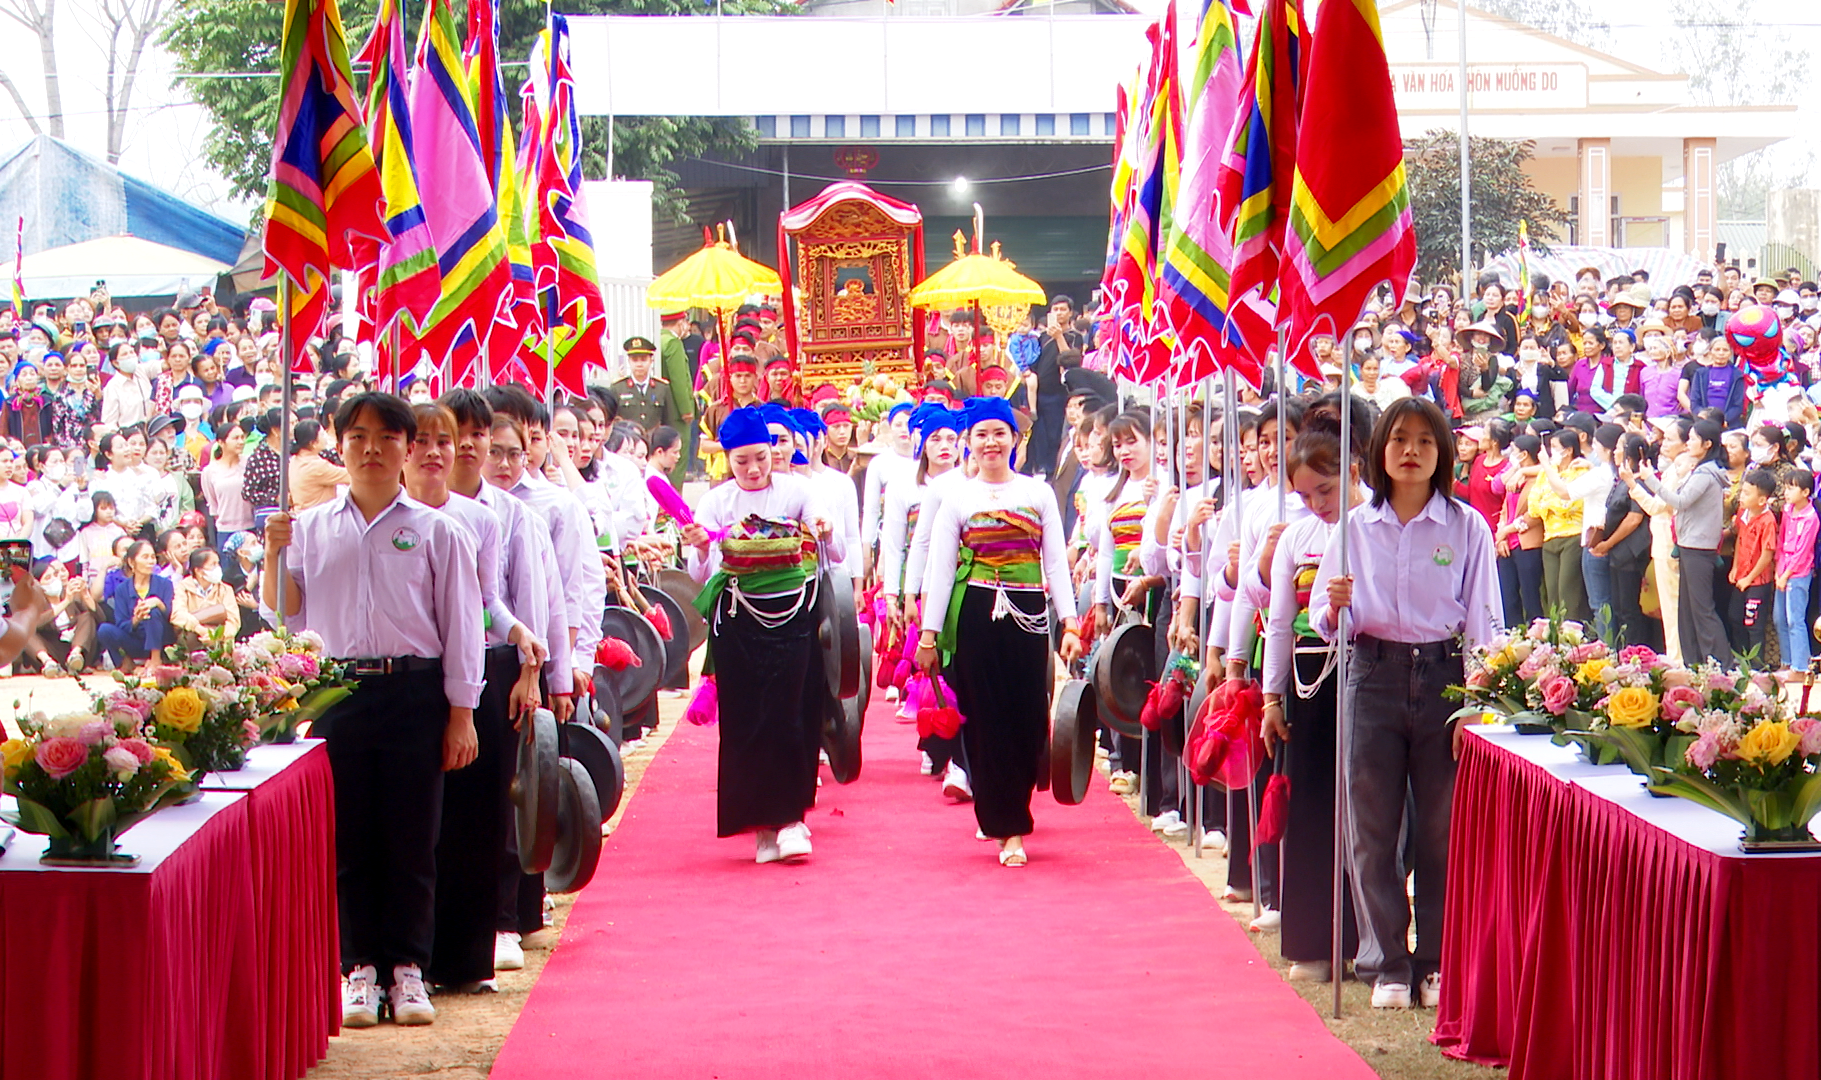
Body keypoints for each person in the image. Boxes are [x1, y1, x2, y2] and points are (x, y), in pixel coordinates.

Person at [263, 392, 484, 1031]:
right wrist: (274, 552)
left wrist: (461, 711)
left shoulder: (439, 529)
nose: (371, 450)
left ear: (407, 449)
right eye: (358, 437)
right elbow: (285, 611)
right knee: (349, 836)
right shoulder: (309, 527)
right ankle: (359, 967)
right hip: (338, 694)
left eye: (387, 438)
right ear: (340, 445)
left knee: (415, 834)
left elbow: (463, 624)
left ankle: (409, 967)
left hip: (415, 693)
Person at [1310, 396, 1499, 1012]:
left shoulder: (1468, 527)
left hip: (1445, 678)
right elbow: (1322, 622)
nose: (1411, 451)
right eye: (1399, 440)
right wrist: (1335, 603)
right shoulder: (1353, 528)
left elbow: (1482, 622)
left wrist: (1473, 702)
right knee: (1372, 827)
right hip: (1373, 675)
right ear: (1379, 453)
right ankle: (1387, 961)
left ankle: (1437, 958)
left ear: (1442, 450)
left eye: (1424, 439)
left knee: (1444, 830)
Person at [406, 400, 549, 995]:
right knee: (424, 823)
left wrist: (518, 638)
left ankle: (468, 954)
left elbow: (489, 599)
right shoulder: (401, 515)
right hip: (417, 673)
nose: (457, 448)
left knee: (478, 819)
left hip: (482, 669)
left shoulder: (485, 520)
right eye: (442, 437)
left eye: (468, 436)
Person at [917, 397, 1083, 867]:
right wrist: (929, 638)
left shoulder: (1038, 493)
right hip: (975, 614)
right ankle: (1007, 825)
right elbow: (941, 570)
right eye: (982, 435)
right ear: (969, 442)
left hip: (1029, 615)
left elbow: (1054, 563)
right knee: (985, 718)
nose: (991, 443)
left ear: (1016, 439)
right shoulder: (957, 498)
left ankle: (1009, 803)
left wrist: (1069, 621)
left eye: (1000, 433)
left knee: (1028, 714)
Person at [682, 406, 841, 863]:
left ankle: (792, 820)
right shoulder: (715, 502)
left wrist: (823, 529)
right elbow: (701, 574)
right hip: (737, 621)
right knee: (746, 720)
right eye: (741, 462)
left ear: (773, 454)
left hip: (794, 616)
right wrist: (698, 546)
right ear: (727, 460)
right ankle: (760, 828)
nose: (752, 470)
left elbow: (833, 546)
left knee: (792, 712)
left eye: (760, 459)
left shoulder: (799, 490)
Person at [878, 404, 966, 789]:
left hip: (964, 583)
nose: (944, 446)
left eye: (951, 438)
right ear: (921, 444)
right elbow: (899, 545)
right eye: (935, 439)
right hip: (926, 584)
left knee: (957, 667)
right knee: (930, 670)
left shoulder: (968, 484)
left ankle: (961, 754)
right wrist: (899, 593)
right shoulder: (904, 488)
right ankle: (935, 743)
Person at [1624, 419, 1731, 665]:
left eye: (1693, 439)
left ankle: (1719, 662)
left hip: (1698, 546)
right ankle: (1694, 660)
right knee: (1686, 610)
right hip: (1687, 544)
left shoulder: (1705, 472)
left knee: (1701, 608)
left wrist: (1649, 479)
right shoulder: (1700, 470)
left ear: (1707, 444)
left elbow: (1679, 502)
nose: (1688, 444)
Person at [96, 538, 173, 672]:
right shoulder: (122, 589)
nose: (151, 561)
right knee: (104, 630)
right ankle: (126, 663)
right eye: (145, 557)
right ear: (132, 562)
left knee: (152, 611)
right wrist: (136, 619)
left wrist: (158, 603)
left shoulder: (165, 584)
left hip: (162, 640)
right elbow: (121, 624)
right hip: (136, 641)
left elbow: (171, 617)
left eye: (153, 557)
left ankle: (156, 660)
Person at [1728, 469, 1779, 669]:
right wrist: (1735, 568)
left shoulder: (1767, 520)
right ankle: (1741, 661)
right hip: (1740, 576)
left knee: (1753, 624)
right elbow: (1740, 541)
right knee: (1734, 617)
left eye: (1747, 494)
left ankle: (1757, 666)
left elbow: (1767, 554)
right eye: (1743, 491)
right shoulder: (1743, 514)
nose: (1742, 496)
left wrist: (1749, 578)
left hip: (1758, 581)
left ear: (1762, 500)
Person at [1776, 470, 1818, 675]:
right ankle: (1787, 659)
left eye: (1792, 488)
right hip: (1782, 569)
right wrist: (1778, 570)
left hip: (1798, 573)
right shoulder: (1787, 510)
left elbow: (1803, 551)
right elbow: (1781, 540)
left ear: (1805, 492)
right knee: (1779, 618)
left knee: (1795, 619)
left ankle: (1800, 665)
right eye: (1786, 487)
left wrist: (1786, 574)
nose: (1787, 492)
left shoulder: (1811, 517)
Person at [24, 557, 96, 676]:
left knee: (87, 617)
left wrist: (86, 595)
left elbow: (99, 618)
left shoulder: (72, 594)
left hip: (74, 647)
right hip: (52, 649)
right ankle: (48, 663)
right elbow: (36, 623)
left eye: (55, 575)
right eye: (48, 578)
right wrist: (65, 602)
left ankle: (75, 657)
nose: (54, 580)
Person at [171, 547, 239, 648]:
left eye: (218, 563)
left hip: (220, 640)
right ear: (199, 571)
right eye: (213, 565)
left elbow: (234, 621)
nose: (218, 568)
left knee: (221, 612)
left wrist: (217, 636)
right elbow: (177, 615)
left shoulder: (226, 589)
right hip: (194, 635)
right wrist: (199, 628)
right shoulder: (183, 587)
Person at [288, 419, 351, 510]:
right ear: (313, 443)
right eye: (322, 434)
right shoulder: (316, 466)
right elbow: (351, 476)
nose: (325, 436)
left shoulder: (295, 459)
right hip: (317, 519)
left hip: (303, 513)